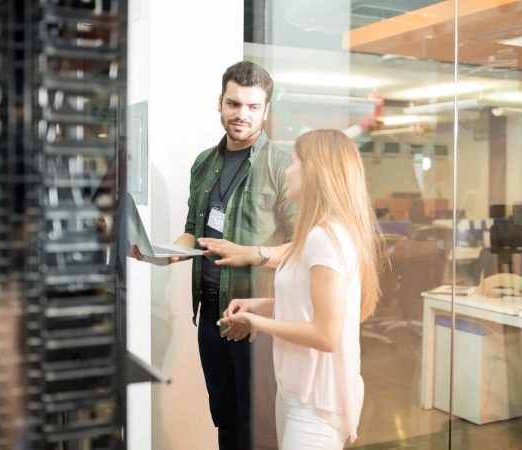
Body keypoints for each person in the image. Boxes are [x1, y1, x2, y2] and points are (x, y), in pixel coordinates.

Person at [131, 61, 298, 450]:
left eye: (253, 107)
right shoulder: (204, 163)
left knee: (257, 427)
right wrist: (166, 254)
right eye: (234, 103)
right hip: (210, 313)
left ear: (266, 111)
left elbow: (301, 245)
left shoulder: (281, 166)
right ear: (220, 103)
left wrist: (253, 254)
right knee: (224, 417)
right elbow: (194, 229)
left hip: (255, 317)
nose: (242, 115)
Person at [217, 129, 384, 449]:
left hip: (316, 405)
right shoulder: (315, 236)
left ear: (314, 172)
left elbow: (326, 334)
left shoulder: (326, 239)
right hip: (296, 392)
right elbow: (307, 306)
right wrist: (260, 305)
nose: (286, 170)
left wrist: (256, 324)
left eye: (293, 162)